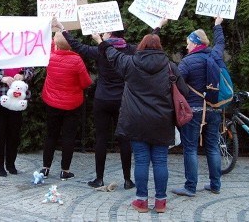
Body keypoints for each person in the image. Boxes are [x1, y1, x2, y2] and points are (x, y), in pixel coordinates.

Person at [98, 18, 182, 214]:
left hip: (137, 120)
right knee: (161, 161)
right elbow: (183, 91)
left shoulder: (130, 63)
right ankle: (161, 202)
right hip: (162, 120)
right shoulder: (170, 66)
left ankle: (141, 201)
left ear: (140, 47)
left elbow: (112, 54)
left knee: (142, 160)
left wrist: (100, 40)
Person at [52, 17, 136, 190]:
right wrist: (157, 27)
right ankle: (128, 180)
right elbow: (149, 45)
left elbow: (77, 46)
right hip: (122, 100)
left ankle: (99, 178)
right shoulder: (130, 50)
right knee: (124, 139)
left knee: (101, 139)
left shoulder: (100, 50)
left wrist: (62, 27)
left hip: (103, 99)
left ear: (110, 33)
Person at [172, 16, 225, 197]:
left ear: (195, 43)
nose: (186, 47)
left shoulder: (188, 62)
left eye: (188, 43)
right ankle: (215, 185)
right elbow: (220, 42)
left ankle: (190, 187)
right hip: (214, 108)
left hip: (194, 110)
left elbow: (178, 83)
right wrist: (217, 25)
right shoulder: (215, 55)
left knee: (190, 148)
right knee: (212, 147)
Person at [39, 31, 93, 181]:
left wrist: (55, 30)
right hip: (72, 104)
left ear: (55, 44)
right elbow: (86, 82)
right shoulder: (77, 60)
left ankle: (45, 168)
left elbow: (50, 46)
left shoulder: (49, 57)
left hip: (51, 102)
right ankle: (65, 170)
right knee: (68, 138)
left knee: (50, 135)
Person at [0, 67, 35, 177]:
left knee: (14, 134)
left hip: (17, 100)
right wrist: (2, 78)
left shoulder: (22, 52)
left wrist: (23, 76)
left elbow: (31, 69)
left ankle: (11, 163)